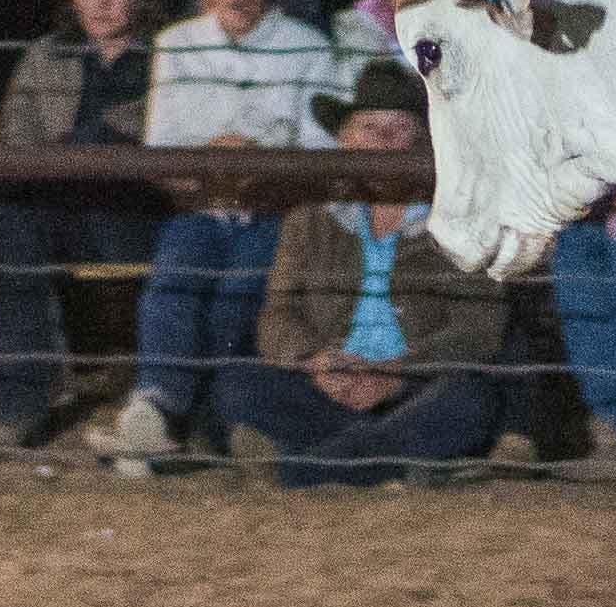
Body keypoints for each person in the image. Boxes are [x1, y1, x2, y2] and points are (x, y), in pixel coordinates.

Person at [109, 0, 352, 466]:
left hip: (275, 209)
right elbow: (161, 145)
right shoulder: (176, 44)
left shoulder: (308, 46)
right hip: (201, 203)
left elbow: (324, 147)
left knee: (239, 298)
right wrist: (209, 161)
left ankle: (206, 421)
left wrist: (261, 160)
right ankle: (160, 403)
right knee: (173, 281)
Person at [215, 63, 506, 485]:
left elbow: (480, 327)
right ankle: (399, 460)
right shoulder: (308, 222)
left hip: (415, 386)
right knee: (239, 383)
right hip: (329, 385)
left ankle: (304, 469)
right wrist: (317, 360)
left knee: (468, 396)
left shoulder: (463, 223)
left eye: (398, 129)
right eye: (370, 128)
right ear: (344, 141)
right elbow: (277, 316)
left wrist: (399, 370)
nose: (384, 142)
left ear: (425, 142)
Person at [0, 0, 160, 447]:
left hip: (132, 206)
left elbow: (163, 126)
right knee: (17, 233)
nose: (102, 2)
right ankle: (21, 406)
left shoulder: (165, 53)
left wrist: (97, 136)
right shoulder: (46, 55)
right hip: (55, 202)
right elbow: (13, 136)